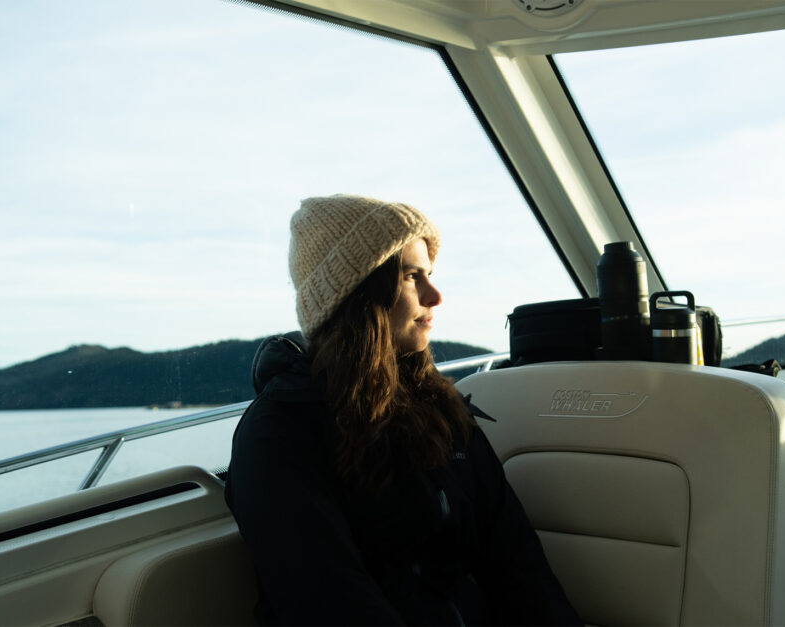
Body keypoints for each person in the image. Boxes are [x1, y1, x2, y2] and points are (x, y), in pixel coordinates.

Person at [225, 194, 581, 625]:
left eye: (429, 274)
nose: (436, 295)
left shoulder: (437, 409)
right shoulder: (279, 434)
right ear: (359, 296)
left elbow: (515, 561)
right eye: (413, 277)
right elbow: (330, 604)